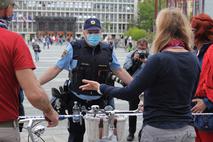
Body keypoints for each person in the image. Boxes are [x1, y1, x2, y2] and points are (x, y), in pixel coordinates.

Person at [79, 8, 200, 142]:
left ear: (161, 30)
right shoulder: (193, 58)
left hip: (158, 130)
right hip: (187, 130)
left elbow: (129, 92)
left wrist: (100, 87)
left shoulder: (158, 59)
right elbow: (188, 94)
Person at [39, 17, 132, 142]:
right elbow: (56, 68)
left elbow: (119, 70)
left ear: (101, 32)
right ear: (83, 33)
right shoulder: (73, 47)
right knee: (76, 136)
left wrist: (137, 86)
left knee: (102, 137)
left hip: (100, 102)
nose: (93, 35)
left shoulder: (108, 50)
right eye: (90, 32)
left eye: (96, 32)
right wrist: (34, 84)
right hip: (77, 102)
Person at [0, 0, 59, 141]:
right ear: (7, 9)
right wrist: (50, 111)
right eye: (12, 7)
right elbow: (35, 94)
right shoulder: (13, 41)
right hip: (4, 128)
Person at [190, 13, 213, 142]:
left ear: (196, 33)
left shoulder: (211, 53)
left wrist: (207, 102)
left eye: (191, 29)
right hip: (194, 118)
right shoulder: (194, 54)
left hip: (208, 119)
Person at [123, 38, 149, 141]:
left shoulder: (151, 56)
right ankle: (131, 132)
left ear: (147, 47)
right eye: (140, 48)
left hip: (147, 87)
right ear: (136, 47)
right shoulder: (130, 54)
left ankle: (143, 131)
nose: (142, 51)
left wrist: (146, 61)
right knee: (132, 110)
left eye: (143, 48)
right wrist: (134, 60)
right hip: (134, 86)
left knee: (147, 111)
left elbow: (156, 68)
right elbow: (126, 68)